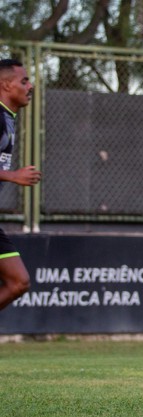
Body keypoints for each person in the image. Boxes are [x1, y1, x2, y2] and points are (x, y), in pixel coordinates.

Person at [0, 59, 40, 312]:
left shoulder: (8, 118)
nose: (30, 86)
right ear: (5, 84)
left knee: (18, 282)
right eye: (24, 81)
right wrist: (12, 175)